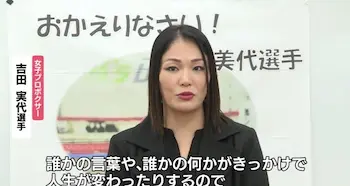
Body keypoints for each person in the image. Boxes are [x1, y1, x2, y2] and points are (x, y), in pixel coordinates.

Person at [103, 25, 269, 186]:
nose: (185, 80)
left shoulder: (242, 142)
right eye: (173, 68)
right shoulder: (125, 147)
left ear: (209, 76)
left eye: (197, 68)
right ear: (156, 76)